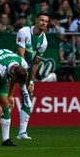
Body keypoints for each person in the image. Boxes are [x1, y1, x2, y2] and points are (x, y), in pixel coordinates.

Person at [15, 11, 49, 140]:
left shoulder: (44, 41)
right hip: (13, 65)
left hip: (26, 70)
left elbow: (36, 63)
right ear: (36, 20)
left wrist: (30, 81)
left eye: (46, 21)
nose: (43, 23)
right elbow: (21, 55)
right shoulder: (24, 32)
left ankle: (22, 132)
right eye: (41, 20)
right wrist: (25, 78)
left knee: (28, 96)